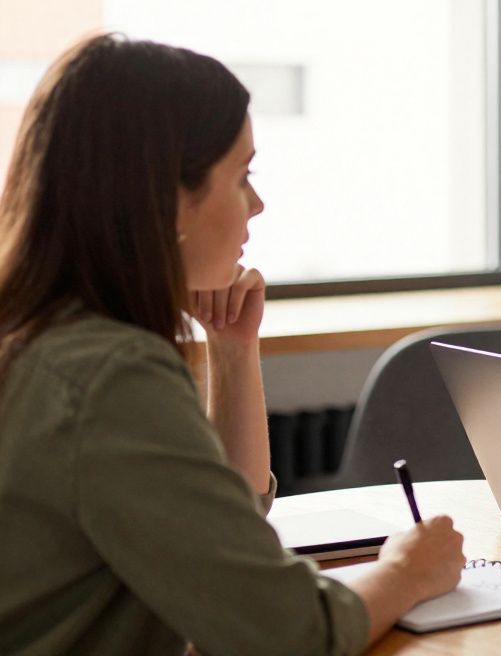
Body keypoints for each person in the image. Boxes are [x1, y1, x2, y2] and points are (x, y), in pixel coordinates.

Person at [0, 34, 466, 655]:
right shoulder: (109, 376)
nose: (258, 203)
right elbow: (287, 633)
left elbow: (224, 532)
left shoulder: (46, 338)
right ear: (168, 199)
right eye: (241, 175)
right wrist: (409, 572)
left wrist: (232, 351)